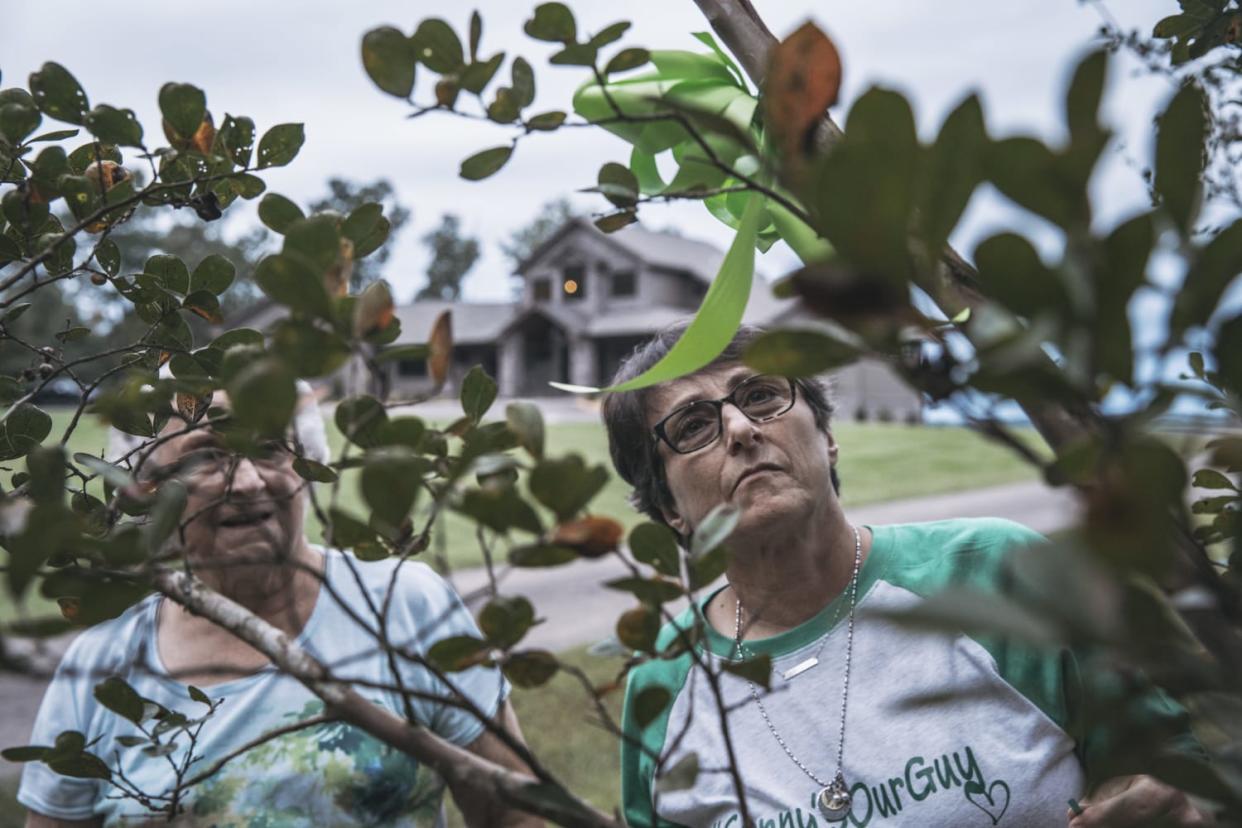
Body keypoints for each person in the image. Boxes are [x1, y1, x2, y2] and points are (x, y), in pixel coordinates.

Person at [603, 323, 1210, 828]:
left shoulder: (997, 572)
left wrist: (1167, 799)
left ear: (828, 436)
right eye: (693, 427)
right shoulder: (665, 679)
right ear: (668, 509)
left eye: (761, 395)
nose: (740, 429)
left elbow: (1171, 772)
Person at [19, 387, 542, 827]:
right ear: (147, 493)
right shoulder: (101, 670)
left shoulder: (405, 604)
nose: (246, 482)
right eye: (205, 456)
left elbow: (520, 815)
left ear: (307, 463)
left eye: (270, 448)